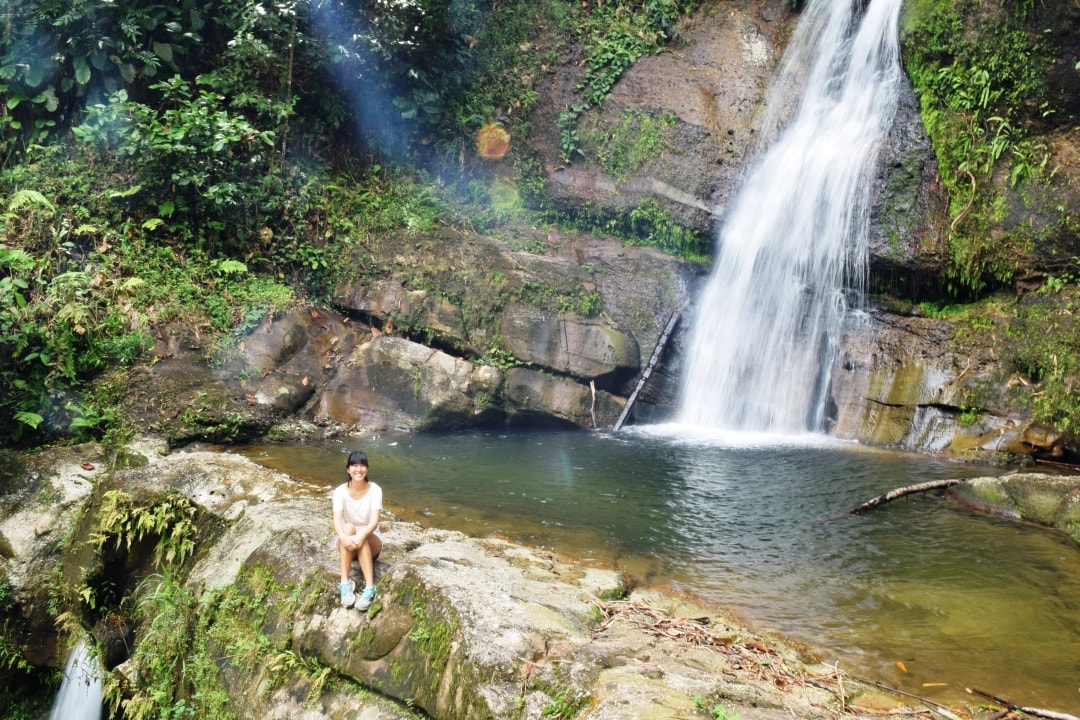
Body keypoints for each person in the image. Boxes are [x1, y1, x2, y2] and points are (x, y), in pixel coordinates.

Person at [332, 450, 383, 610]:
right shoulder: (340, 491)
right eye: (354, 465)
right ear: (348, 469)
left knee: (363, 535)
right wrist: (343, 537)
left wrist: (362, 536)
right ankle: (345, 583)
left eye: (362, 465)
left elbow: (374, 521)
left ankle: (369, 587)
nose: (358, 469)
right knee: (348, 527)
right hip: (347, 540)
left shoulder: (375, 490)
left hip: (370, 538)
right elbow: (337, 519)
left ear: (366, 469)